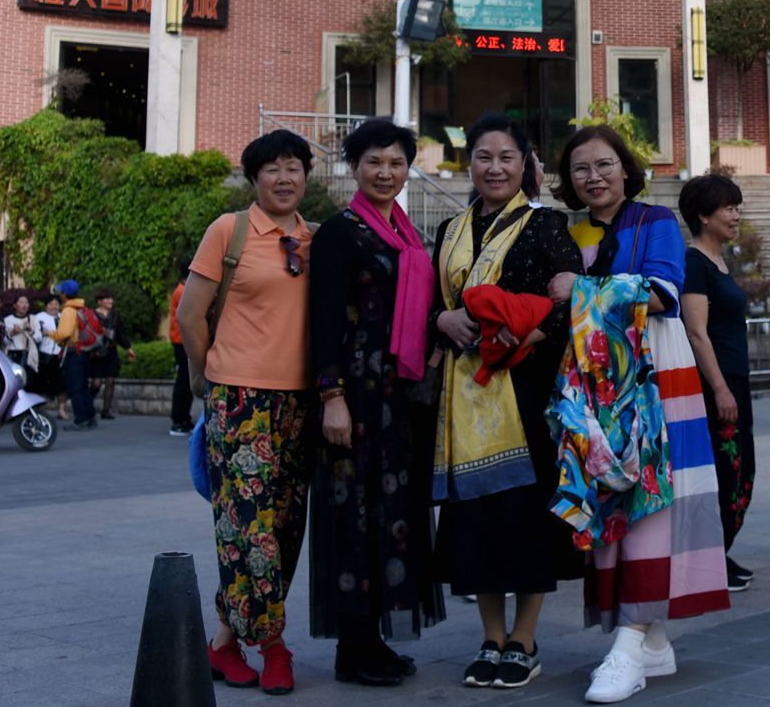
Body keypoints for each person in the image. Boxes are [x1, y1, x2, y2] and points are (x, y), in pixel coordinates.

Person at [554, 126, 727, 704]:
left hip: (656, 374)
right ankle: (650, 641)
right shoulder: (569, 230)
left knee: (651, 499)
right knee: (612, 497)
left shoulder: (656, 221)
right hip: (596, 383)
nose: (594, 177)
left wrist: (581, 288)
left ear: (626, 169)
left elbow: (662, 294)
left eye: (604, 164)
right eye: (581, 168)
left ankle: (629, 643)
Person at [430, 115, 580, 692]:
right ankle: (490, 638)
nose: (494, 168)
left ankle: (524, 639)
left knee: (526, 520)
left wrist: (523, 338)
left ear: (525, 165)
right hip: (463, 396)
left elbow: (572, 303)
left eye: (506, 157)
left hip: (526, 392)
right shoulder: (449, 231)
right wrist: (441, 320)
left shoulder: (546, 225)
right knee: (475, 522)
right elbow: (430, 305)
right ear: (469, 164)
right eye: (483, 157)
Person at [176, 130, 319, 695]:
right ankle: (274, 646)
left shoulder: (316, 239)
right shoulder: (228, 230)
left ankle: (223, 642)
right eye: (272, 169)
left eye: (294, 167)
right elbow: (191, 314)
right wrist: (205, 375)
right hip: (239, 398)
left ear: (306, 176)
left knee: (283, 528)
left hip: (301, 401)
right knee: (247, 529)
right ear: (254, 178)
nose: (284, 178)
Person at [309, 117, 448, 687]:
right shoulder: (339, 233)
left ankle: (375, 641)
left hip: (399, 401)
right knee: (354, 516)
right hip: (356, 397)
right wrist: (332, 398)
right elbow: (321, 323)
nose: (385, 172)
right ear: (354, 167)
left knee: (393, 516)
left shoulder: (407, 235)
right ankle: (354, 648)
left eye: (396, 162)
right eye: (374, 162)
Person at [678, 173, 757, 594]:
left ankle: (716, 552)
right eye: (729, 208)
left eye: (736, 207)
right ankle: (707, 560)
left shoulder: (719, 261)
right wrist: (721, 388)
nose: (736, 215)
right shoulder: (694, 264)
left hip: (734, 379)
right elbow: (696, 333)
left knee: (741, 469)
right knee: (726, 472)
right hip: (715, 385)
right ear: (704, 216)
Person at [51, 280, 102, 430]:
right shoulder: (82, 307)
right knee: (83, 385)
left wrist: (51, 334)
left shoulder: (68, 310)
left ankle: (80, 419)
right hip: (85, 351)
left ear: (64, 294)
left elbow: (65, 333)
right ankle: (90, 416)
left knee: (75, 387)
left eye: (61, 292)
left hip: (74, 352)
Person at [90, 289, 136, 420]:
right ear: (99, 301)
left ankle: (106, 410)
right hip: (97, 352)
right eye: (107, 299)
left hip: (111, 350)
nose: (110, 301)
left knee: (110, 380)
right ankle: (87, 404)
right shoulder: (93, 315)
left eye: (111, 298)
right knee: (96, 383)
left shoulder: (114, 315)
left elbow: (120, 333)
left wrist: (128, 347)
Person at [167, 264, 193, 437]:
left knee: (186, 382)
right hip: (181, 341)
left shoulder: (182, 290)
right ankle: (178, 419)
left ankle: (184, 418)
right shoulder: (182, 292)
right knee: (183, 381)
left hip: (182, 340)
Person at [30, 295, 67, 420]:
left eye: (56, 304)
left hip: (60, 354)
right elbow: (35, 335)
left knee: (62, 383)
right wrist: (43, 333)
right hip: (44, 353)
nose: (53, 307)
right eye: (51, 304)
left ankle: (61, 410)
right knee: (42, 384)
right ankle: (39, 411)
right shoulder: (39, 317)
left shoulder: (63, 317)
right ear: (46, 305)